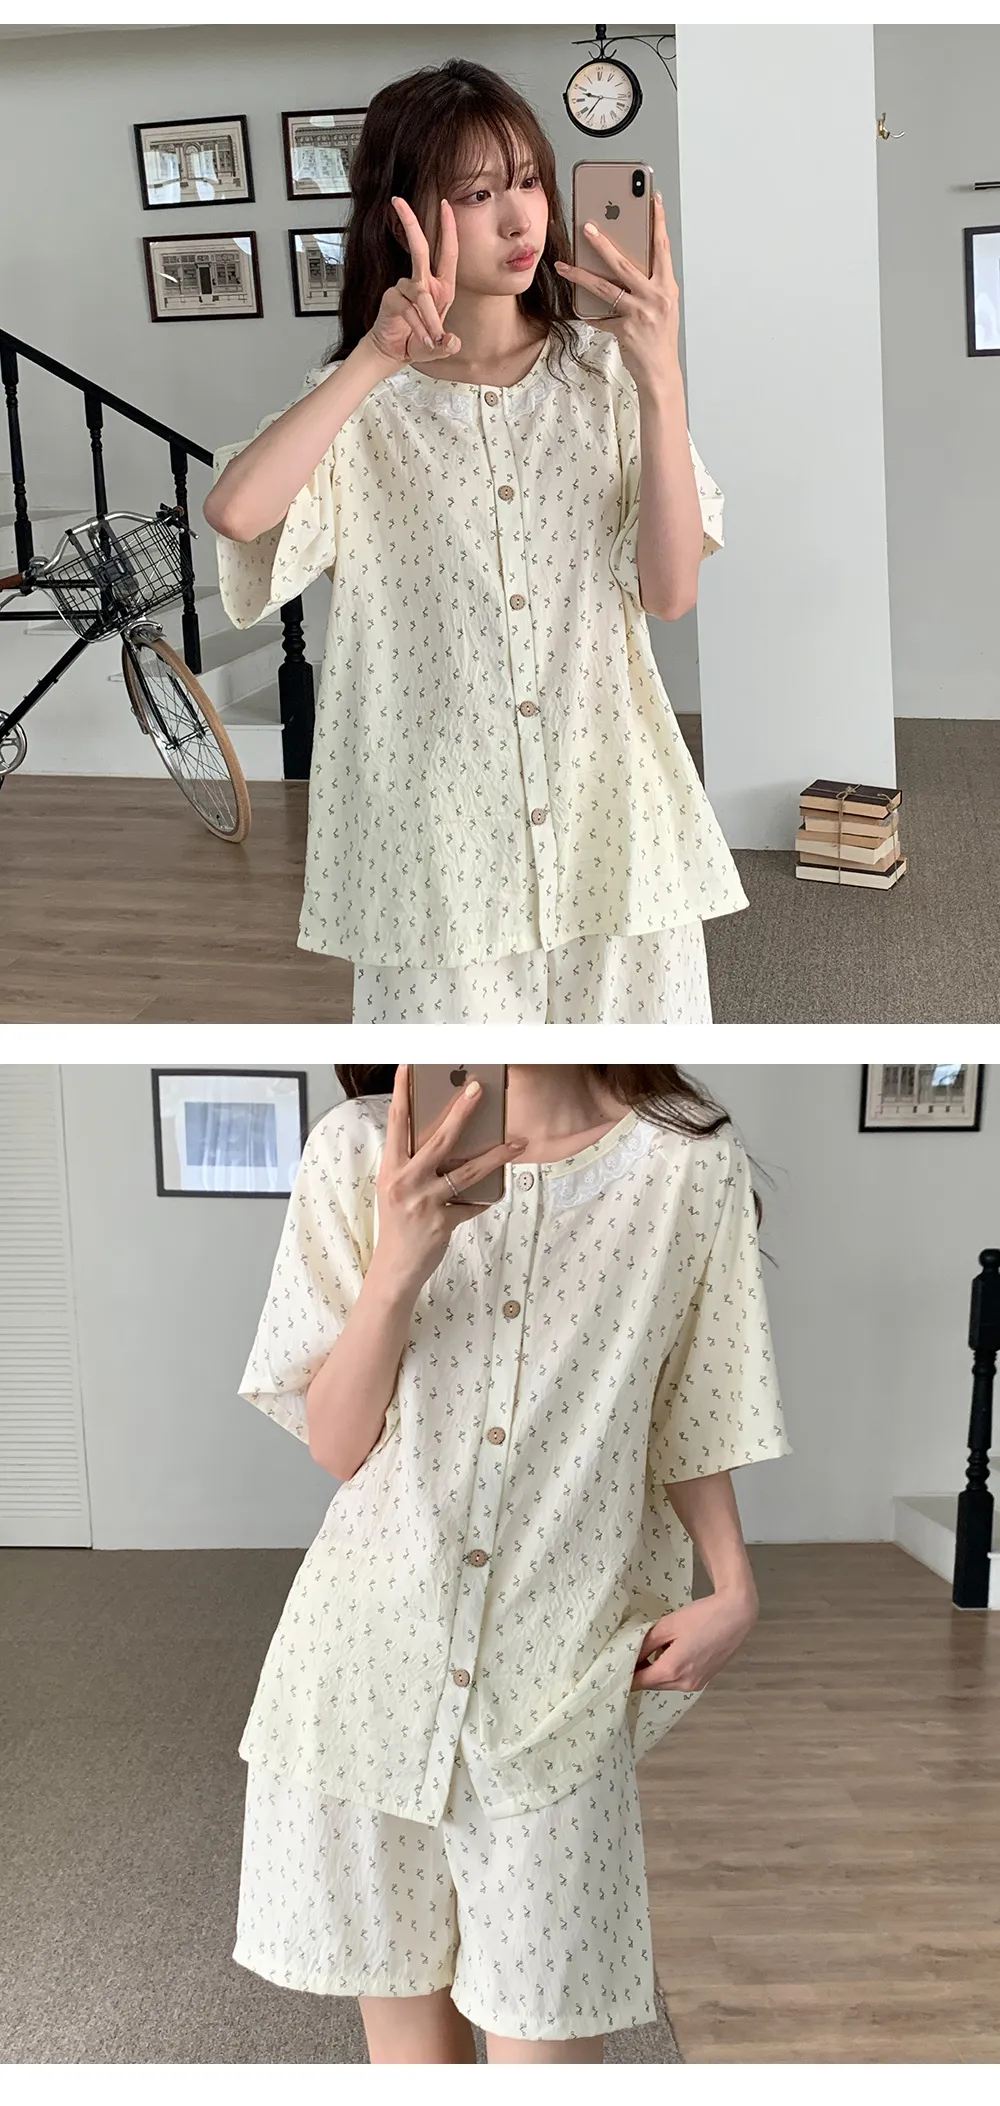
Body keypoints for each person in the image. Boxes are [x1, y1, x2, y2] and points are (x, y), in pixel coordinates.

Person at [230, 1063, 792, 2063]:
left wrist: (735, 1588)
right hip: (365, 1669)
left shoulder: (685, 1166)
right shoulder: (358, 1150)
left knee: (548, 2046)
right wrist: (398, 1261)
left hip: (559, 1678)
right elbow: (337, 1444)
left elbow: (694, 1406)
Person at [204, 57, 749, 1024]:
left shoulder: (606, 380)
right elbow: (237, 513)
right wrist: (372, 361)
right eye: (476, 192)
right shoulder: (363, 407)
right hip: (436, 856)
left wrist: (661, 379)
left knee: (625, 1090)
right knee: (457, 1095)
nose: (518, 217)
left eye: (529, 180)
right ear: (402, 216)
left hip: (611, 823)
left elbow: (670, 594)